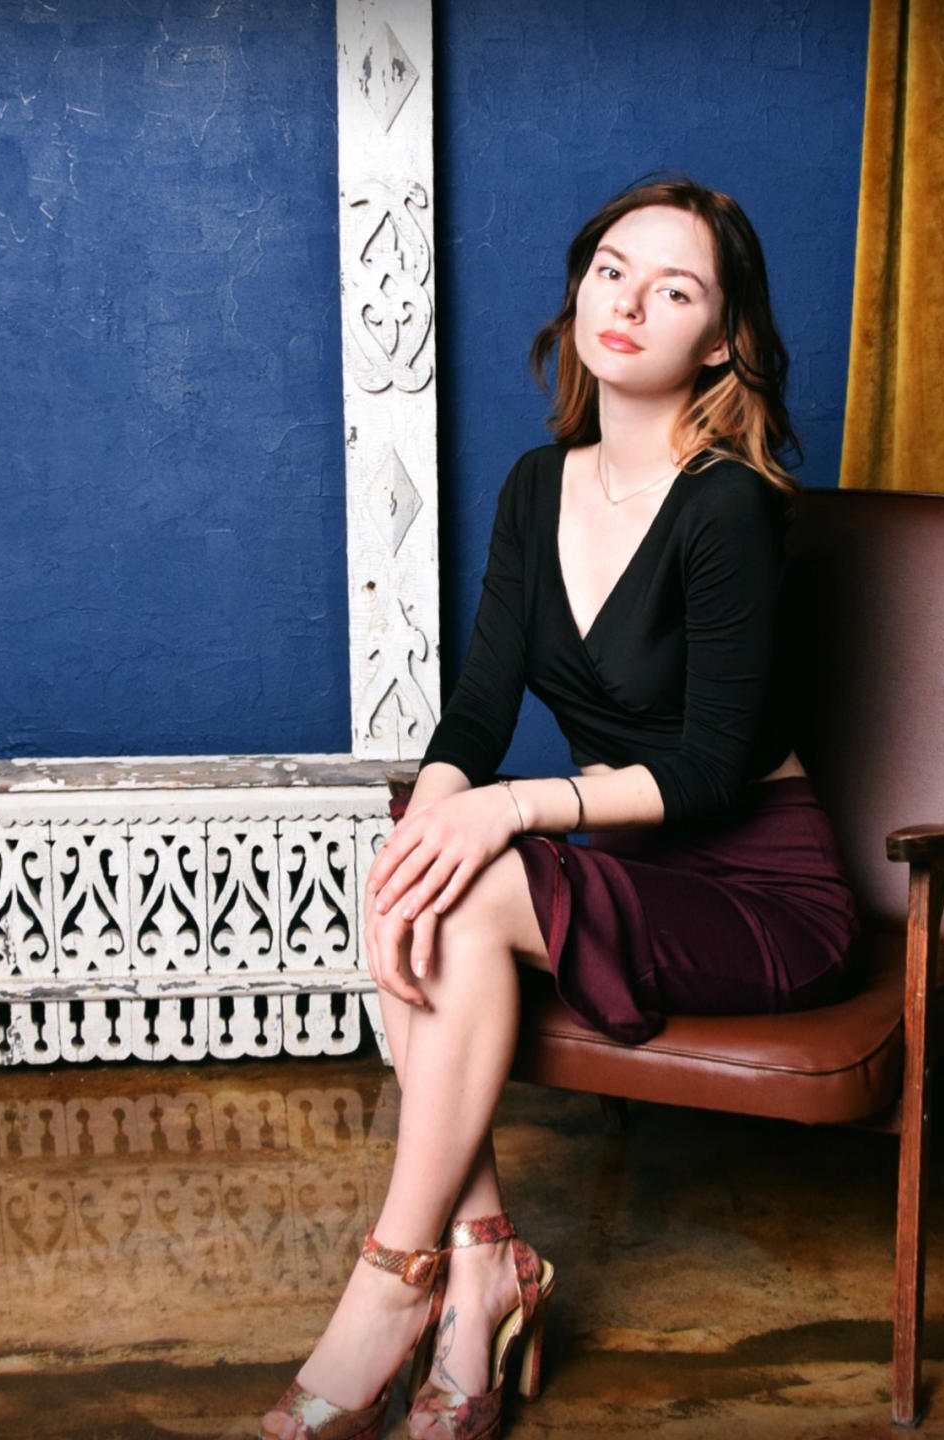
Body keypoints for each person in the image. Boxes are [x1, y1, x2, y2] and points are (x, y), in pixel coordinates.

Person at [259, 174, 861, 1440]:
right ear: (579, 292)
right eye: (610, 271)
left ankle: (395, 1281)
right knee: (418, 870)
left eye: (674, 290)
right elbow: (476, 713)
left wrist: (511, 813)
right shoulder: (536, 488)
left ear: (721, 341)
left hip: (760, 892)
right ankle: (482, 1268)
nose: (627, 303)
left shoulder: (729, 506)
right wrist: (432, 820)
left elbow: (711, 769)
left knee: (469, 870)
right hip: (634, 875)